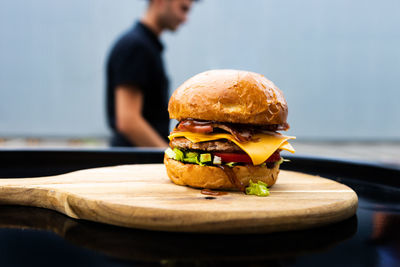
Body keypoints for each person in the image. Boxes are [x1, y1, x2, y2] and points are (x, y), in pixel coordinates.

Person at [106, 0, 195, 147]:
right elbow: (128, 121)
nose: (185, 19)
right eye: (183, 9)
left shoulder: (144, 45)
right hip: (134, 162)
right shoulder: (136, 46)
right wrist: (167, 154)